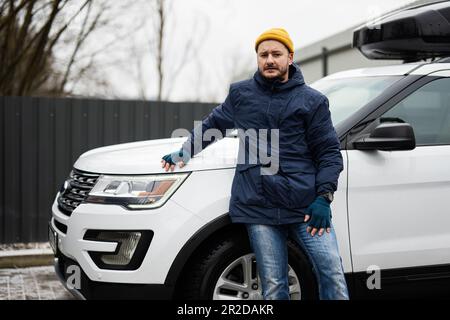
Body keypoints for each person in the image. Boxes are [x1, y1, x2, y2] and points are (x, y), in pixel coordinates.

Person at [161, 28, 349, 300]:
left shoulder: (313, 101)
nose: (269, 60)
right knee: (273, 284)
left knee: (331, 272)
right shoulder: (241, 95)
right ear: (258, 59)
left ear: (290, 57)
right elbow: (214, 124)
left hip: (305, 205)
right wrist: (184, 152)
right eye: (263, 55)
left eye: (276, 54)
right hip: (258, 205)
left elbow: (329, 152)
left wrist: (324, 196)